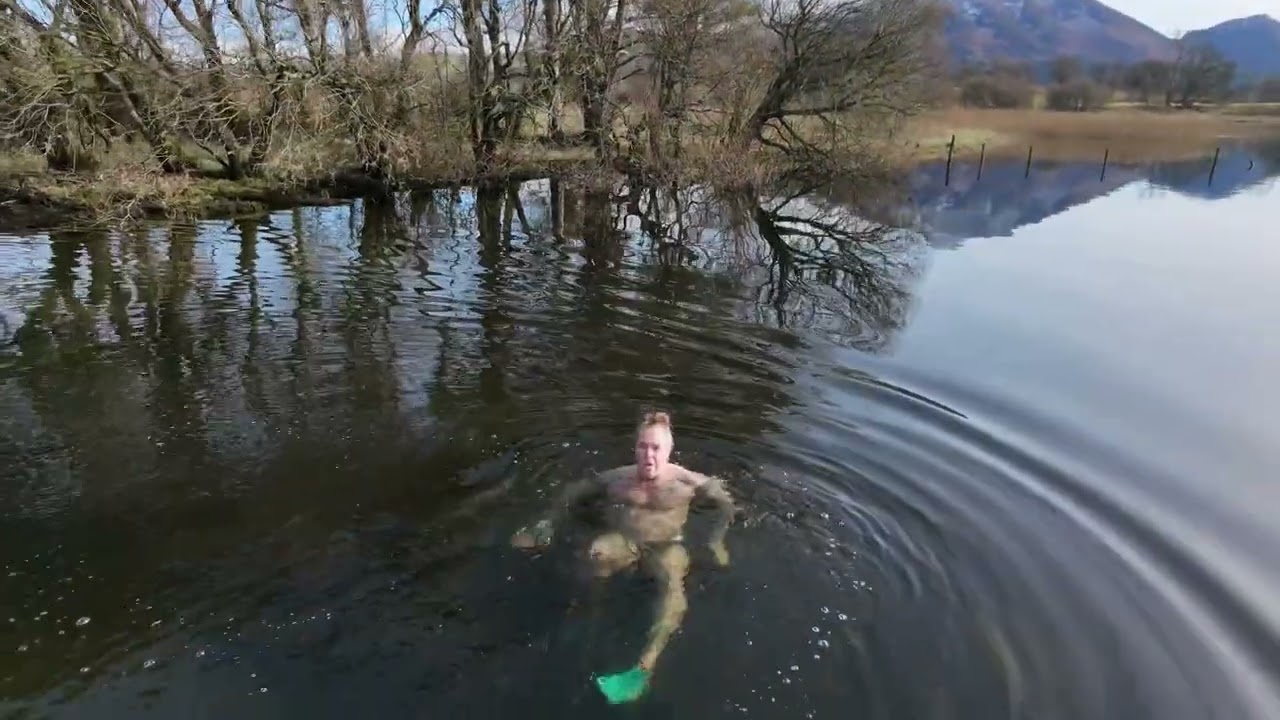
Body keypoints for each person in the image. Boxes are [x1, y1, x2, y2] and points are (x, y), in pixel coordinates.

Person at [510, 411, 736, 698]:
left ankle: (644, 666)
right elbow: (571, 493)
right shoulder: (617, 479)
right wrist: (547, 523)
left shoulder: (688, 482)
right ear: (635, 447)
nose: (648, 455)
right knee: (595, 553)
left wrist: (717, 541)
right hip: (625, 540)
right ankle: (588, 613)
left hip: (665, 545)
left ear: (668, 450)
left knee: (673, 589)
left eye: (656, 448)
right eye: (643, 446)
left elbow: (728, 506)